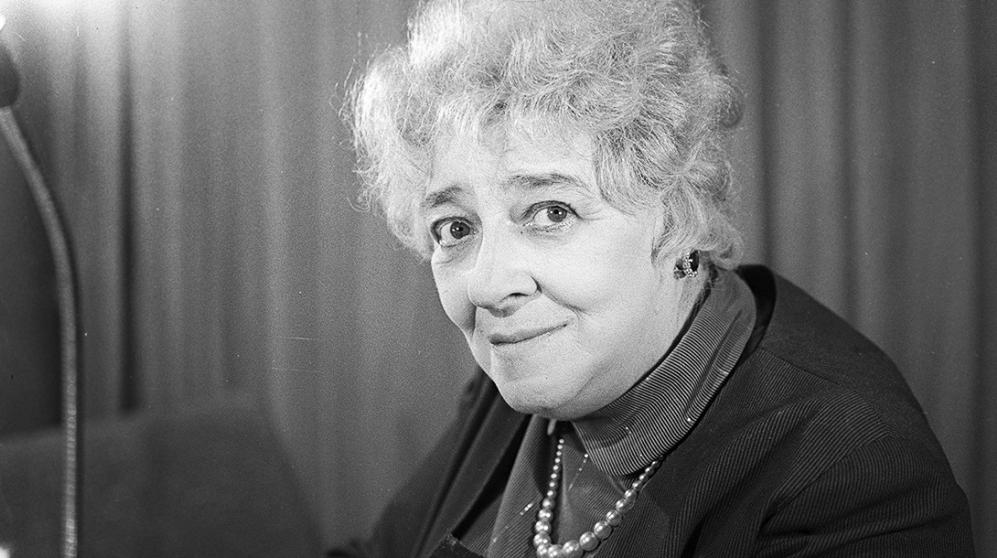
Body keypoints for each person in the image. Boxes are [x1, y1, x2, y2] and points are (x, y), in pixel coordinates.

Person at [334, 0, 975, 556]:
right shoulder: (525, 367)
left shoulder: (851, 471)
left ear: (675, 212)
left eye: (551, 212)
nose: (486, 285)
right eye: (454, 227)